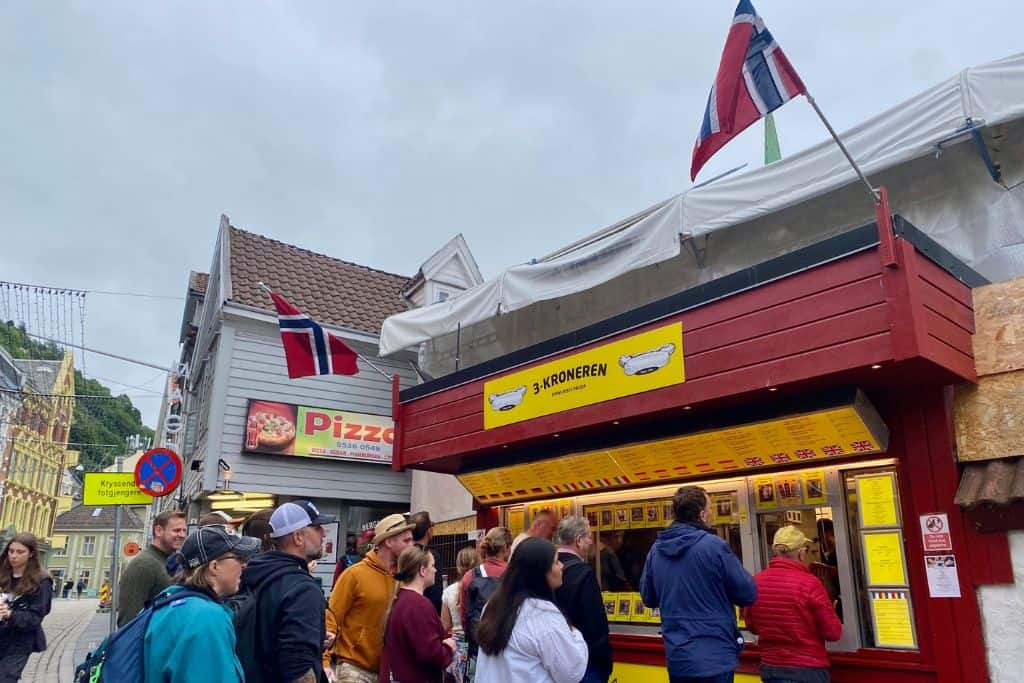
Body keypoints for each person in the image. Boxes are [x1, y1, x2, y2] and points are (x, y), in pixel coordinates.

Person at [640, 486, 757, 683]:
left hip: (678, 657)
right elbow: (747, 593)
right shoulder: (714, 546)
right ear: (702, 515)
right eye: (710, 509)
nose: (711, 513)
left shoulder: (656, 550)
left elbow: (648, 597)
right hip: (715, 656)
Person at [143, 525, 259, 682]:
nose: (245, 564)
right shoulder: (206, 617)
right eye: (239, 557)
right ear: (214, 566)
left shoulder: (168, 601)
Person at [238, 500, 336, 683]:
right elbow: (298, 667)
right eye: (316, 527)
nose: (323, 533)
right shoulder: (302, 588)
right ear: (298, 537)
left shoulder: (254, 572)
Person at [475, 537, 588, 683]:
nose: (561, 566)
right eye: (556, 562)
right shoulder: (544, 616)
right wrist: (575, 634)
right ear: (540, 571)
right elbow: (572, 672)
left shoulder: (492, 606)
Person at [744, 526, 843, 683]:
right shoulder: (810, 584)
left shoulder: (755, 582)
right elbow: (833, 632)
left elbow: (752, 625)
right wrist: (833, 611)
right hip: (807, 668)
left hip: (771, 667)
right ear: (800, 553)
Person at [325, 513, 415, 683]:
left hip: (388, 672)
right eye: (406, 541)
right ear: (388, 542)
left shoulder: (404, 577)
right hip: (354, 669)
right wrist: (325, 662)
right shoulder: (354, 575)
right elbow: (332, 618)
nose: (412, 545)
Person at [379, 545, 456, 683]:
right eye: (432, 565)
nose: (435, 570)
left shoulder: (401, 599)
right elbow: (430, 654)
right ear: (422, 570)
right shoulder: (418, 605)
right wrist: (448, 647)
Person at [553, 516, 612, 683]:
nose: (592, 542)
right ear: (578, 540)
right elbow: (595, 624)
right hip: (586, 663)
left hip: (556, 660)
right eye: (589, 537)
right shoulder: (584, 573)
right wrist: (605, 663)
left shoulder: (545, 570)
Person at [118, 510, 187, 626]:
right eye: (176, 530)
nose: (182, 535)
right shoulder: (143, 566)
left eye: (184, 530)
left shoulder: (165, 562)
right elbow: (129, 622)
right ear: (158, 531)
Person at [0, 533, 53, 682]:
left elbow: (37, 615)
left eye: (20, 552)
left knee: (5, 678)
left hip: (20, 640)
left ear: (31, 554)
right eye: (11, 551)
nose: (13, 556)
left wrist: (11, 614)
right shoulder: (3, 573)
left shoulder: (42, 580)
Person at [460, 526, 511, 672]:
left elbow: (464, 618)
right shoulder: (515, 575)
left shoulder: (470, 576)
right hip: (508, 652)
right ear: (506, 548)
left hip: (478, 650)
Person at [441, 547, 478, 683]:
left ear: (457, 567)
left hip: (456, 649)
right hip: (475, 646)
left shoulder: (448, 592)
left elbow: (445, 625)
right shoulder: (480, 589)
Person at [411, 511, 443, 613]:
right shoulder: (431, 556)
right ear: (428, 531)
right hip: (425, 611)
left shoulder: (404, 554)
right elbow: (436, 594)